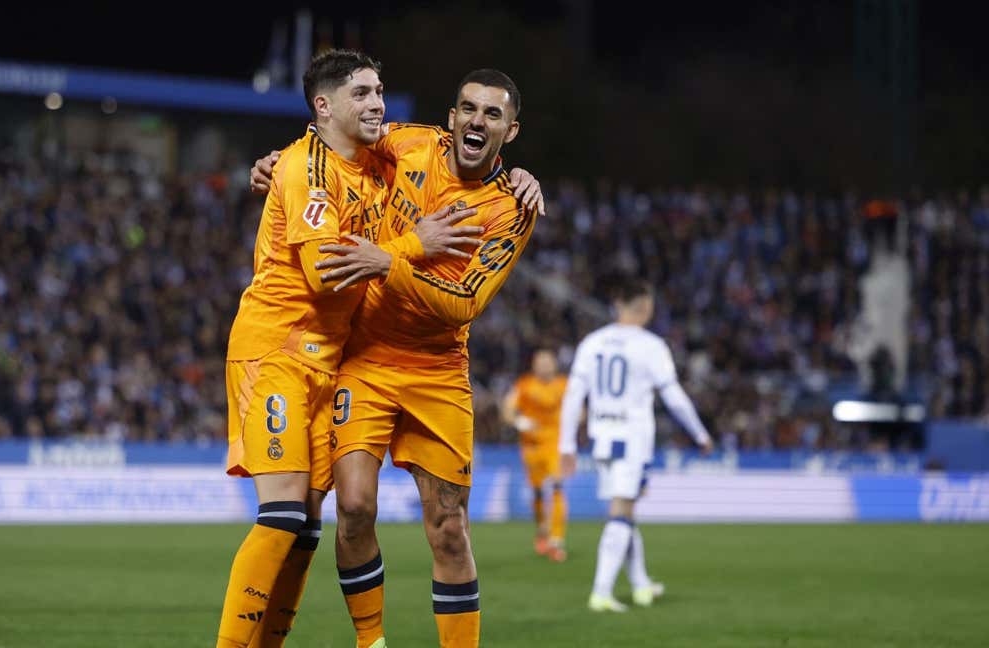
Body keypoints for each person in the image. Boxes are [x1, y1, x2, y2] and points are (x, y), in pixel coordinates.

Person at [253, 68, 540, 648]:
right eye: (467, 109)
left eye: (491, 114)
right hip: (366, 357)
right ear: (452, 115)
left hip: (438, 371)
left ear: (510, 131)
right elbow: (330, 139)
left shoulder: (512, 206)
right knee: (354, 507)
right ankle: (371, 643)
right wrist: (277, 162)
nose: (475, 121)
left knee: (449, 528)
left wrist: (390, 264)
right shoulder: (408, 142)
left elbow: (464, 304)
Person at [558, 277, 714, 613]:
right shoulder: (651, 346)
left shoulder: (592, 342)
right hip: (631, 439)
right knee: (621, 513)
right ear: (645, 308)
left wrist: (567, 444)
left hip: (602, 439)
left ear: (617, 305)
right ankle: (601, 592)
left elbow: (573, 396)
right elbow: (674, 397)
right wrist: (700, 433)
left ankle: (641, 584)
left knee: (625, 513)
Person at [500, 349, 569, 562]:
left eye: (548, 362)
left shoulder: (564, 386)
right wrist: (520, 422)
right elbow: (507, 409)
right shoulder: (524, 385)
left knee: (557, 485)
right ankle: (542, 529)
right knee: (538, 492)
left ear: (554, 365)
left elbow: (579, 410)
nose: (545, 366)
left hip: (556, 444)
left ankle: (556, 540)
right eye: (541, 362)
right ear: (534, 365)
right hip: (531, 447)